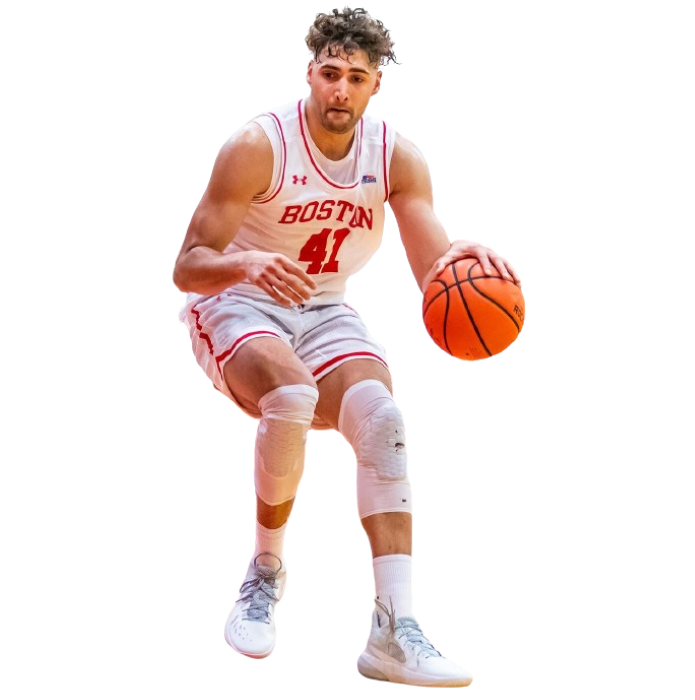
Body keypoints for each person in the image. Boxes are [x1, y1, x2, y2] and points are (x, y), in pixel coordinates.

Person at [173, 5, 521, 688]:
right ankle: (265, 569)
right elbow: (187, 266)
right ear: (310, 73)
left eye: (355, 77)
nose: (340, 89)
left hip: (324, 307)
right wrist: (245, 264)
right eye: (329, 73)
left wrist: (462, 262)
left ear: (375, 85)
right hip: (236, 298)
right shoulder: (259, 144)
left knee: (384, 419)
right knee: (292, 393)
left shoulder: (396, 156)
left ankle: (394, 629)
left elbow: (434, 270)